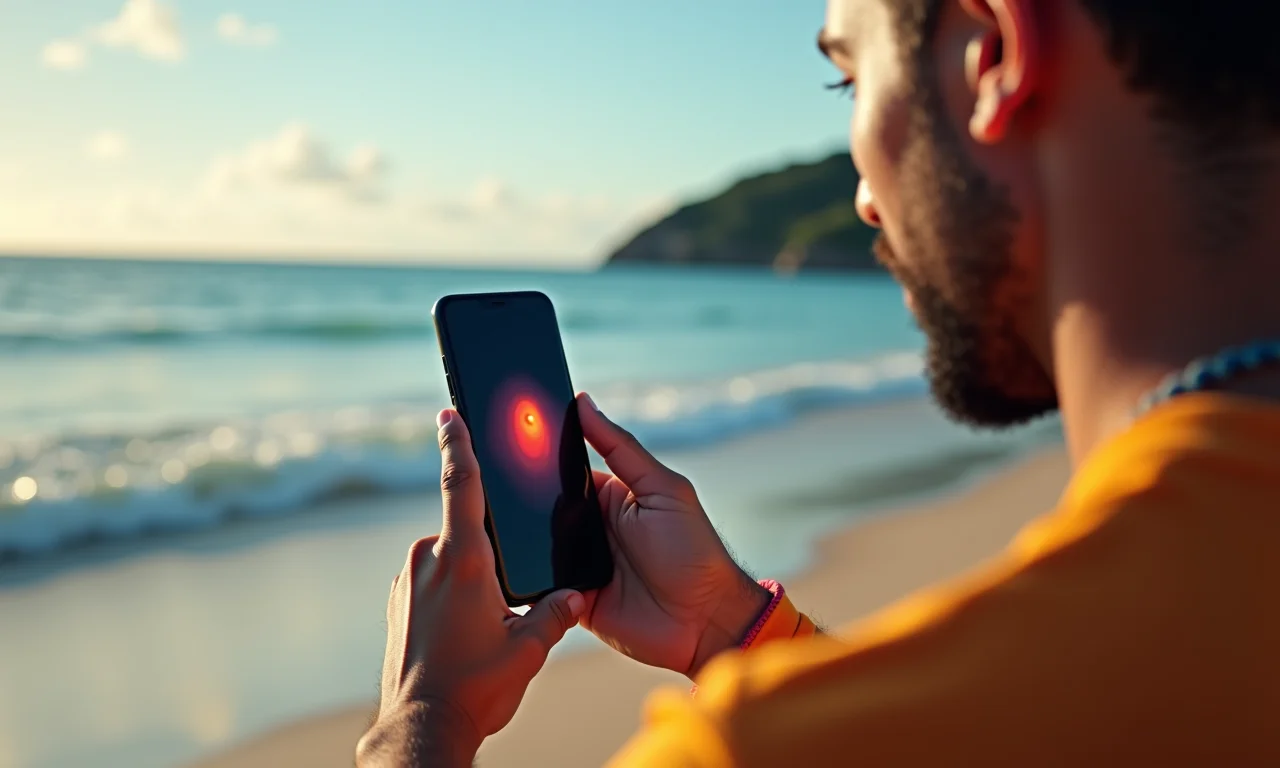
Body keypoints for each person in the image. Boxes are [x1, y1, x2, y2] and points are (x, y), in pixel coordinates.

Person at [358, 0, 1280, 764]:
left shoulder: (755, 749)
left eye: (851, 77)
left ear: (992, 50)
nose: (864, 199)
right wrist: (731, 628)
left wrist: (420, 724)